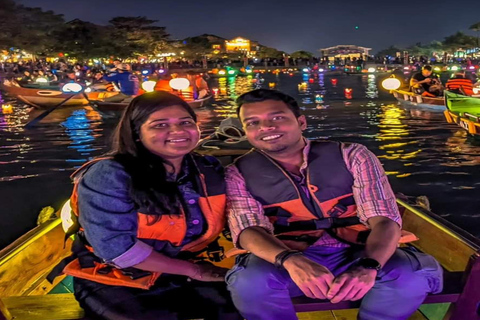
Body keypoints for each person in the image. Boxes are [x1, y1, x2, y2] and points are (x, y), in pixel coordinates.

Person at [224, 89, 443, 320]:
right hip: (287, 255)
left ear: (301, 122)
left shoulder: (353, 156)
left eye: (277, 118)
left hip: (359, 250)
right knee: (250, 283)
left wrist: (368, 265)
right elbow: (248, 230)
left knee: (410, 276)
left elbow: (384, 219)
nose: (266, 127)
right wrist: (291, 260)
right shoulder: (237, 173)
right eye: (252, 123)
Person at [53, 91, 241, 320]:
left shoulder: (206, 169)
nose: (178, 131)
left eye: (186, 122)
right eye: (160, 125)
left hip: (186, 268)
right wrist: (197, 271)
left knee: (247, 303)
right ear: (137, 133)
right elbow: (116, 249)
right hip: (117, 277)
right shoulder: (110, 174)